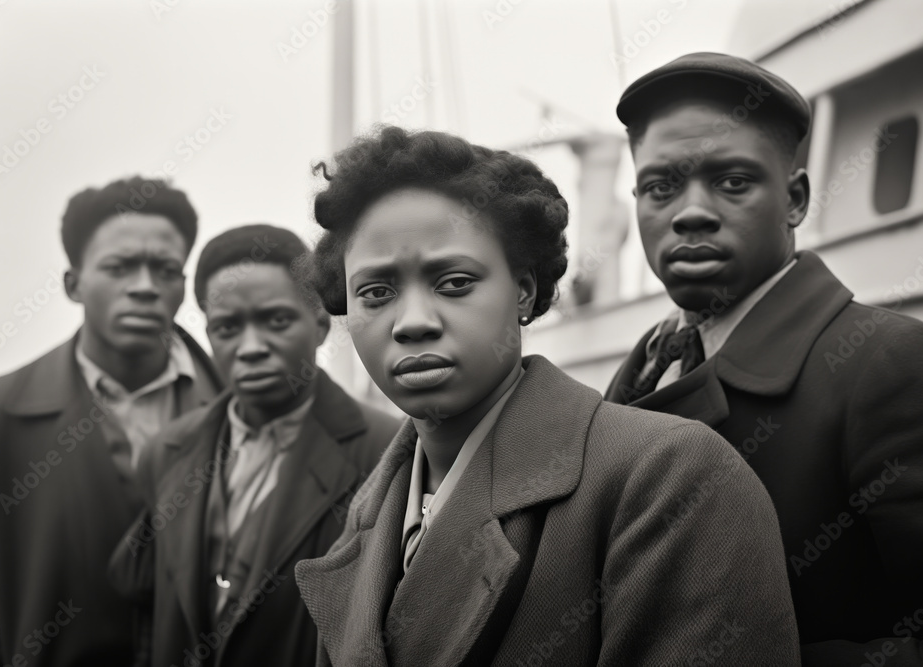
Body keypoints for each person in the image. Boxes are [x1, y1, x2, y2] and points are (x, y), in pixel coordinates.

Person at [293, 125, 800, 666]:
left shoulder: (669, 479)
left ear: (525, 291)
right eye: (376, 292)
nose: (412, 322)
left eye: (455, 282)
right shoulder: (369, 514)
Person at [605, 52, 923, 664]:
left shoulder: (896, 365)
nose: (690, 211)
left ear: (796, 200)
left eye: (733, 181)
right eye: (660, 186)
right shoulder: (644, 366)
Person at [0, 177, 222, 666]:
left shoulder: (245, 412)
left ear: (184, 285)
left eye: (166, 269)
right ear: (74, 284)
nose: (144, 287)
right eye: (119, 267)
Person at [109, 224, 401, 667]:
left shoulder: (388, 452)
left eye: (276, 320)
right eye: (226, 327)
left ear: (320, 324)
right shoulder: (166, 451)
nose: (250, 348)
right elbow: (148, 606)